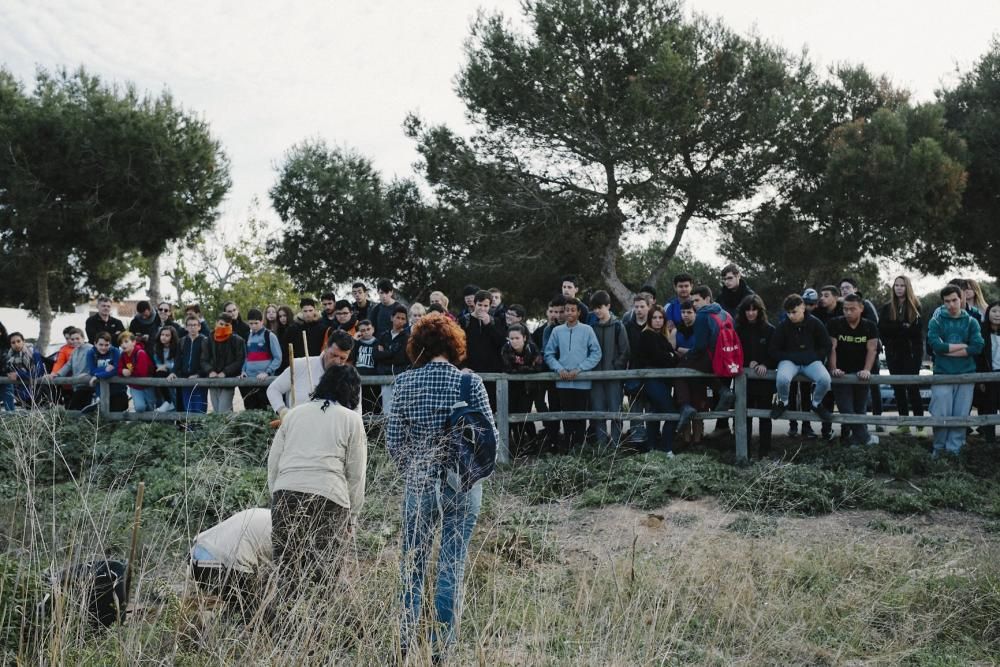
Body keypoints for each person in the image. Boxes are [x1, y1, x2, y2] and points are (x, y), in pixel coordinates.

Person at [385, 313, 499, 659]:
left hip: (420, 483)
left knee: (413, 563)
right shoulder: (469, 383)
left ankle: (405, 644)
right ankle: (441, 652)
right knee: (452, 563)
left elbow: (394, 442)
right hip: (463, 484)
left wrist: (415, 470)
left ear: (417, 346)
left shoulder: (404, 383)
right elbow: (490, 438)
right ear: (454, 345)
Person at [268, 364, 367, 592]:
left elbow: (273, 464)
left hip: (286, 496)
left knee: (288, 574)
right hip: (330, 500)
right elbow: (356, 473)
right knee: (324, 577)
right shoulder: (351, 419)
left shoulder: (293, 414)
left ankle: (288, 625)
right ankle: (318, 626)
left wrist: (277, 495)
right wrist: (352, 515)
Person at [927, 285, 984, 456]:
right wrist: (962, 347)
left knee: (960, 414)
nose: (951, 304)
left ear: (962, 299)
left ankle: (954, 452)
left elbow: (978, 346)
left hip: (966, 375)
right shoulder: (936, 320)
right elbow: (936, 346)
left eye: (954, 300)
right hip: (942, 374)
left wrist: (948, 351)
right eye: (947, 301)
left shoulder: (971, 321)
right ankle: (938, 450)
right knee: (940, 412)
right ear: (943, 302)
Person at [673, 286, 736, 434]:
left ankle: (685, 407)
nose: (694, 304)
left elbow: (700, 346)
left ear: (707, 299)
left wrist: (687, 356)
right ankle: (723, 390)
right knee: (699, 372)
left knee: (678, 371)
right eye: (692, 300)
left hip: (710, 358)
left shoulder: (702, 315)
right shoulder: (725, 314)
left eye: (697, 300)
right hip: (728, 359)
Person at [189, 508, 272, 620]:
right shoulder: (285, 529)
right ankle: (220, 625)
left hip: (196, 555)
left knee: (241, 607)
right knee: (251, 614)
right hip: (221, 563)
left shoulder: (268, 514)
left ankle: (213, 622)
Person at [543, 297, 602, 451]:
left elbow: (596, 353)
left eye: (572, 310)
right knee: (567, 417)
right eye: (567, 310)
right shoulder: (557, 331)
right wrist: (559, 369)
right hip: (563, 381)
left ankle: (580, 449)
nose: (569, 313)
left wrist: (580, 369)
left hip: (582, 381)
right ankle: (568, 449)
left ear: (579, 312)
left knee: (581, 417)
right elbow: (548, 354)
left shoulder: (587, 330)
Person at [769, 294, 834, 422]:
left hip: (811, 362)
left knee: (825, 380)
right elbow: (773, 350)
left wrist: (815, 357)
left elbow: (827, 345)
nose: (791, 316)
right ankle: (783, 402)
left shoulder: (815, 323)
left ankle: (816, 404)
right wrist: (789, 357)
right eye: (788, 313)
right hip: (789, 361)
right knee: (782, 379)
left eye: (794, 312)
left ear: (803, 307)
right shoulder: (782, 326)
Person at [827, 294, 880, 446]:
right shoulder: (834, 324)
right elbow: (832, 348)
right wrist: (834, 368)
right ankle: (867, 439)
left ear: (861, 309)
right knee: (846, 409)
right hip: (841, 374)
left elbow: (872, 350)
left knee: (860, 409)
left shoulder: (870, 326)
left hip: (860, 374)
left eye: (852, 309)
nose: (848, 312)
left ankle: (856, 443)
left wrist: (867, 370)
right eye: (845, 309)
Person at [267, 330, 356, 416]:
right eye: (334, 355)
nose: (337, 361)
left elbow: (356, 412)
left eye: (342, 358)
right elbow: (274, 389)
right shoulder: (300, 365)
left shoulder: (350, 378)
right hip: (298, 427)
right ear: (325, 348)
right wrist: (282, 411)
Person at [879, 276, 925, 434]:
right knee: (898, 388)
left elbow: (915, 331)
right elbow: (882, 329)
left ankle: (920, 426)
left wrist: (896, 328)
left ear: (908, 287)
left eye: (902, 285)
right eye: (896, 285)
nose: (899, 288)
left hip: (911, 353)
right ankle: (904, 424)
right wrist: (902, 326)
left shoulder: (916, 305)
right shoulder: (886, 307)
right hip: (893, 352)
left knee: (913, 388)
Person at [635, 306, 678, 456]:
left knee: (655, 413)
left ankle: (652, 448)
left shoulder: (661, 336)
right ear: (649, 320)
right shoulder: (647, 335)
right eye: (655, 318)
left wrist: (670, 356)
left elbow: (671, 356)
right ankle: (666, 448)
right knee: (672, 414)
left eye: (661, 318)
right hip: (652, 381)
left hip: (662, 381)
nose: (658, 321)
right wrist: (670, 356)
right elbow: (659, 358)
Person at [736, 295, 775, 459]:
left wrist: (764, 364)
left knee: (765, 418)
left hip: (765, 381)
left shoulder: (770, 329)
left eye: (754, 309)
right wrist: (746, 363)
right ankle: (745, 453)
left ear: (760, 311)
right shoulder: (737, 330)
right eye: (748, 309)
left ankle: (764, 454)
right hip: (744, 382)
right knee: (744, 417)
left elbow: (775, 353)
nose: (751, 313)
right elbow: (733, 352)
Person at [589, 290, 630, 446]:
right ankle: (601, 444)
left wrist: (615, 368)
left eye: (600, 307)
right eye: (594, 308)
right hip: (595, 377)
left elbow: (625, 351)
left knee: (615, 411)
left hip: (614, 377)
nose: (597, 311)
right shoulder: (591, 327)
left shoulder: (618, 326)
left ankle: (616, 444)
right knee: (598, 411)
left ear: (608, 306)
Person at [500, 323, 546, 454]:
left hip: (528, 388)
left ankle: (533, 444)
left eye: (517, 338)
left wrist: (519, 369)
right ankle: (516, 446)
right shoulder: (506, 349)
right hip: (511, 388)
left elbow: (538, 367)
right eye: (511, 338)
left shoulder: (532, 348)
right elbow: (507, 368)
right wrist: (526, 368)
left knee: (525, 416)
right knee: (512, 417)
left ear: (524, 338)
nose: (514, 341)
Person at [460, 290, 505, 409]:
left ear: (490, 306)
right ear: (474, 304)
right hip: (471, 370)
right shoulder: (464, 321)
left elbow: (501, 343)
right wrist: (462, 366)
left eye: (486, 306)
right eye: (480, 305)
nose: (482, 308)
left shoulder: (496, 321)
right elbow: (459, 346)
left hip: (492, 371)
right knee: (471, 407)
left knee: (491, 407)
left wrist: (489, 324)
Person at [241, 308, 283, 411]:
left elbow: (278, 358)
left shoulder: (269, 336)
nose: (254, 326)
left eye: (256, 323)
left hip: (265, 381)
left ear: (262, 321)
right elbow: (246, 357)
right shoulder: (247, 337)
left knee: (265, 410)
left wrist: (267, 372)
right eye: (251, 323)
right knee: (250, 410)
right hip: (249, 381)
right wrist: (243, 371)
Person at [205, 313, 246, 414]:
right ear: (216, 323)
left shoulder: (237, 340)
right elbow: (204, 358)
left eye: (226, 325)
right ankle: (226, 429)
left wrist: (225, 372)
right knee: (216, 411)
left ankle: (227, 429)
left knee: (223, 411)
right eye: (221, 324)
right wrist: (210, 370)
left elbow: (240, 360)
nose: (223, 327)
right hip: (213, 380)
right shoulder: (208, 339)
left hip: (229, 380)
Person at [375, 304, 411, 415]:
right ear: (392, 318)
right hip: (384, 375)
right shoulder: (383, 335)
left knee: (400, 408)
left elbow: (400, 358)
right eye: (397, 317)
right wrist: (391, 353)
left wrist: (385, 353)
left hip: (399, 376)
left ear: (406, 321)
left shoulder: (406, 337)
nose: (400, 320)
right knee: (386, 408)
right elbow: (376, 355)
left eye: (403, 318)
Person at [47, 328, 93, 409]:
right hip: (77, 385)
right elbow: (68, 365)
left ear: (83, 338)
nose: (75, 341)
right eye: (72, 339)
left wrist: (89, 374)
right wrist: (57, 374)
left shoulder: (90, 349)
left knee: (74, 410)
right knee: (78, 411)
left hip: (87, 385)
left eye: (77, 338)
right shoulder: (75, 351)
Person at [175, 315, 210, 413]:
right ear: (186, 327)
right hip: (185, 380)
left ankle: (199, 429)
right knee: (188, 408)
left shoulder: (205, 340)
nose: (192, 327)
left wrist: (199, 374)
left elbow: (207, 361)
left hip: (200, 380)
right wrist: (174, 372)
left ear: (199, 327)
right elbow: (178, 359)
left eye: (195, 325)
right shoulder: (182, 341)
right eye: (190, 325)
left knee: (199, 407)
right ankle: (190, 428)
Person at [976, 301, 1000, 443]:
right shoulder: (981, 332)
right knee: (989, 407)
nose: (997, 315)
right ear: (988, 313)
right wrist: (980, 379)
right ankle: (989, 440)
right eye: (994, 311)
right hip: (989, 376)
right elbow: (978, 358)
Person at [87, 332, 128, 413]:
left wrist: (98, 375)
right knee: (103, 415)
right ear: (95, 344)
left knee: (117, 413)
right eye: (101, 345)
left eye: (106, 345)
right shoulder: (91, 353)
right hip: (101, 391)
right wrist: (106, 369)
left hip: (118, 389)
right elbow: (92, 370)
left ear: (110, 344)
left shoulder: (115, 351)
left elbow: (117, 369)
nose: (103, 347)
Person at [117, 332, 157, 412]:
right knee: (139, 407)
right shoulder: (123, 355)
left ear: (134, 342)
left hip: (148, 385)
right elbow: (118, 368)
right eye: (121, 343)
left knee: (151, 407)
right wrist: (122, 371)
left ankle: (151, 424)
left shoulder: (140, 353)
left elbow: (142, 373)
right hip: (135, 386)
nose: (123, 345)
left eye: (126, 341)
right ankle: (142, 423)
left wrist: (129, 373)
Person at [349, 320, 380, 413]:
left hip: (374, 381)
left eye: (368, 329)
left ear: (373, 329)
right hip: (359, 379)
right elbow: (350, 357)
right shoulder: (357, 343)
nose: (366, 332)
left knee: (373, 406)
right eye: (362, 330)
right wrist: (354, 340)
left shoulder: (378, 343)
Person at [150, 325, 181, 412]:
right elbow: (157, 364)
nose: (164, 337)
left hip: (175, 372)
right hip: (163, 372)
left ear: (172, 337)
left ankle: (179, 419)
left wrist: (166, 366)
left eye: (167, 335)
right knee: (159, 373)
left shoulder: (176, 347)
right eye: (162, 334)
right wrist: (161, 366)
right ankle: (168, 400)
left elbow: (177, 363)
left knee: (177, 396)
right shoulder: (157, 347)